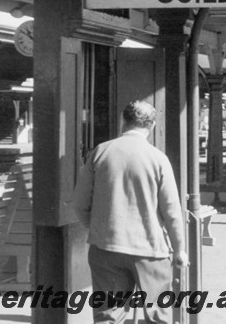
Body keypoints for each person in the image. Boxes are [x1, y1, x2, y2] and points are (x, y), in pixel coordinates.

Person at [73, 100, 187, 323]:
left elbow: (79, 203)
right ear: (152, 126)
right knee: (157, 316)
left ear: (122, 120)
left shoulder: (100, 152)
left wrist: (98, 229)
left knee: (108, 315)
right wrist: (179, 249)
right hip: (151, 251)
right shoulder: (158, 159)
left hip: (107, 248)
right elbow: (172, 212)